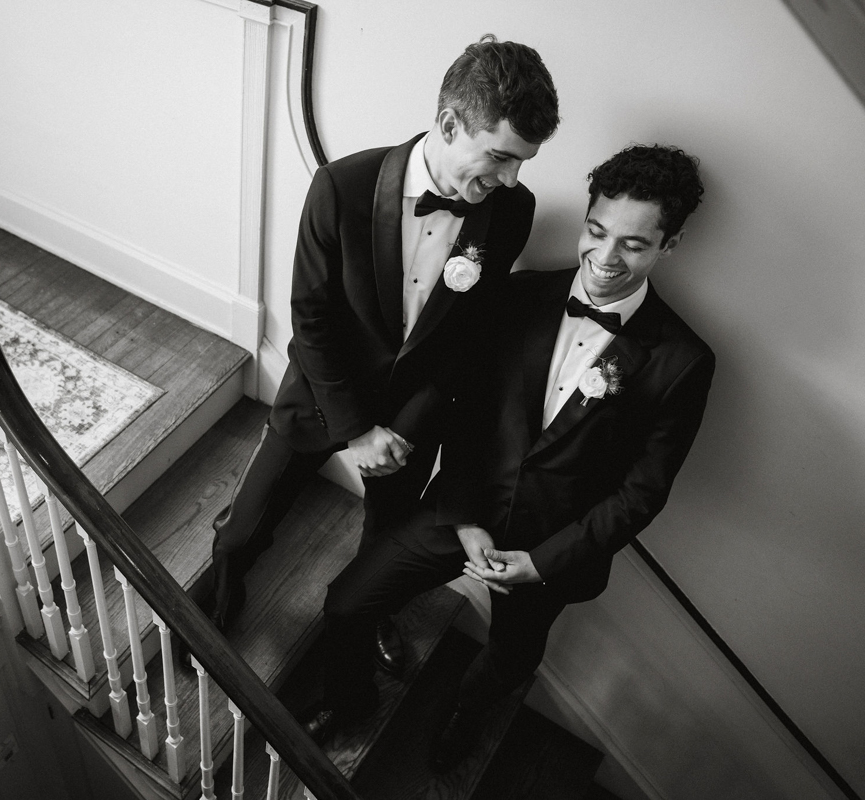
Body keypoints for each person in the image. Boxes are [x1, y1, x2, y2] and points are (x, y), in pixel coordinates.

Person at [308, 144, 715, 766]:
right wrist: (466, 516)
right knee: (347, 601)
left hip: (554, 548)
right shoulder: (516, 296)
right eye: (597, 231)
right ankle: (351, 698)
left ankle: (457, 732)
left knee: (509, 661)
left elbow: (643, 493)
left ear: (670, 245)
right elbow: (465, 408)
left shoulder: (683, 361)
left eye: (633, 244)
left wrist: (543, 563)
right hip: (464, 509)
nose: (604, 258)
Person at [188, 36, 560, 679]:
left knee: (384, 544)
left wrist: (407, 425)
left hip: (415, 418)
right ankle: (222, 590)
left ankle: (371, 615)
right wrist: (355, 428)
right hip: (323, 396)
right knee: (247, 526)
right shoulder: (344, 185)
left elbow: (470, 333)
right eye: (500, 157)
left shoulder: (512, 210)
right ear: (449, 123)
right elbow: (310, 315)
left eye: (521, 163)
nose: (510, 179)